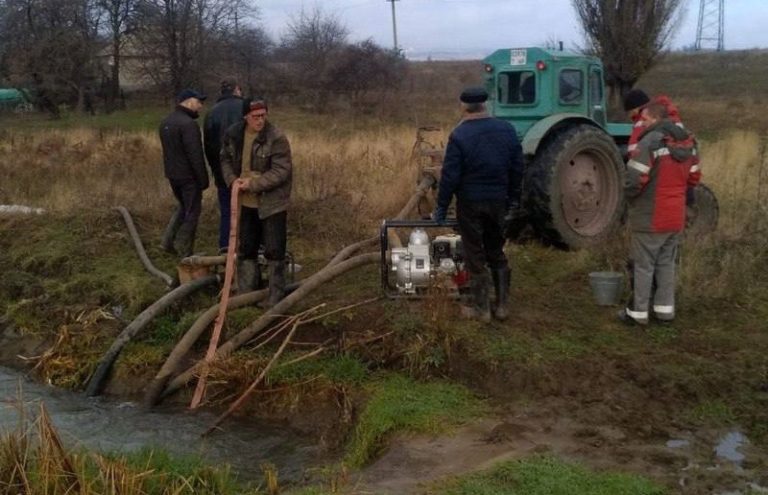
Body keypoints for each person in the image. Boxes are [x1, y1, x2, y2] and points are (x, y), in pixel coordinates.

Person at [432, 87, 524, 322]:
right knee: (496, 250)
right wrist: (513, 199)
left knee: (474, 253)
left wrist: (441, 206)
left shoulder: (459, 136)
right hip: (498, 201)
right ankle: (502, 307)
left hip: (470, 203)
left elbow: (451, 176)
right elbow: (517, 168)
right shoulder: (507, 130)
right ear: (485, 105)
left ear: (463, 107)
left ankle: (481, 309)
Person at [619, 103, 701, 325]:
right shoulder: (689, 143)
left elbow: (634, 180)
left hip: (650, 214)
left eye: (644, 120)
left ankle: (638, 314)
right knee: (666, 264)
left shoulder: (650, 142)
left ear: (655, 119)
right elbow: (694, 179)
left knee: (643, 264)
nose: (641, 124)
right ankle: (665, 311)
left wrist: (628, 197)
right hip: (675, 216)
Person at [220, 97, 292, 307]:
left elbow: (281, 171)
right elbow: (224, 159)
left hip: (271, 204)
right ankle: (247, 293)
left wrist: (252, 184)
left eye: (263, 115)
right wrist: (232, 181)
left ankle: (275, 296)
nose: (260, 120)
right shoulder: (233, 134)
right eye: (255, 117)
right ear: (246, 117)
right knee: (247, 248)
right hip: (245, 204)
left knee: (274, 250)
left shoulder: (276, 137)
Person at [159, 89, 209, 258]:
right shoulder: (188, 124)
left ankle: (167, 241)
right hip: (189, 177)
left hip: (173, 175)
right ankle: (184, 249)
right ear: (188, 101)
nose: (201, 106)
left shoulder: (166, 122)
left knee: (182, 207)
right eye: (199, 102)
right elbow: (195, 154)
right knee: (192, 212)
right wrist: (203, 180)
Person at [203, 77, 244, 253]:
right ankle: (250, 249)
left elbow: (209, 146)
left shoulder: (211, 113)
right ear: (237, 89)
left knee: (227, 211)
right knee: (250, 211)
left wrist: (216, 170)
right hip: (246, 170)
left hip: (222, 172)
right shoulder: (246, 108)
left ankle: (226, 249)